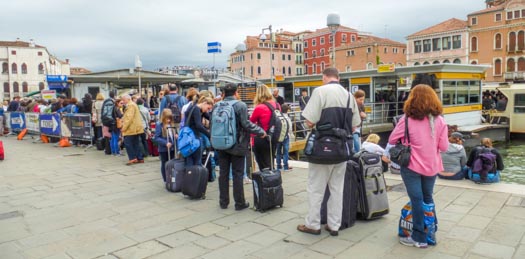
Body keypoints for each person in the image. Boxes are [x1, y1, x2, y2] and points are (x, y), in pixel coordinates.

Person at [297, 68, 361, 237]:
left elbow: (309, 121)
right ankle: (334, 225)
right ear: (338, 78)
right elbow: (354, 126)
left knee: (316, 189)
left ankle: (313, 224)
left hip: (321, 149)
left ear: (324, 77)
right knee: (337, 189)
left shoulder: (319, 91)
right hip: (341, 150)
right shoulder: (349, 96)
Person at [388, 84, 449, 248]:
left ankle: (419, 237)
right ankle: (431, 230)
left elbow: (392, 140)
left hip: (411, 165)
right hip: (432, 166)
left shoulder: (406, 119)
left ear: (412, 99)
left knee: (416, 200)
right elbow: (444, 147)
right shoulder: (440, 120)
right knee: (427, 198)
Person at [213, 84, 266, 211]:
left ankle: (223, 201)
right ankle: (239, 202)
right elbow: (246, 123)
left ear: (224, 93)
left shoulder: (217, 105)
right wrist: (260, 131)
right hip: (238, 144)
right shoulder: (240, 105)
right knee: (238, 173)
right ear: (236, 92)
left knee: (223, 173)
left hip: (221, 143)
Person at [250, 84, 280, 170]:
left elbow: (251, 123)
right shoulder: (277, 105)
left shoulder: (259, 107)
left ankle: (265, 182)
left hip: (262, 138)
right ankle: (273, 180)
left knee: (263, 165)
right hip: (273, 137)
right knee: (270, 162)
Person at [184, 96, 213, 166]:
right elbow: (199, 126)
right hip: (194, 137)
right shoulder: (196, 109)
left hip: (189, 137)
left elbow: (210, 118)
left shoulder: (195, 108)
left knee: (190, 158)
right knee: (197, 160)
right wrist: (209, 134)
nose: (207, 110)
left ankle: (191, 174)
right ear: (204, 103)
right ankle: (195, 174)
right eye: (208, 108)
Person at [154, 109, 177, 182]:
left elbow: (173, 135)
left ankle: (172, 178)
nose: (169, 120)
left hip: (172, 148)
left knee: (172, 163)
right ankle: (166, 180)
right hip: (164, 149)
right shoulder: (159, 125)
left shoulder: (172, 125)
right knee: (164, 163)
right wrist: (165, 143)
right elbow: (157, 137)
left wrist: (176, 136)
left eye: (170, 119)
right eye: (167, 119)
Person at [121, 94, 145, 165]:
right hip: (136, 128)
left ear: (128, 99)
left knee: (128, 143)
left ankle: (132, 158)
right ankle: (139, 158)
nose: (123, 101)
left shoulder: (130, 105)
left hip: (131, 129)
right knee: (135, 143)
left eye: (124, 100)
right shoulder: (133, 104)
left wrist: (124, 128)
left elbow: (129, 118)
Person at [275, 104, 294, 172]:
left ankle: (278, 166)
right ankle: (286, 167)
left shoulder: (278, 117)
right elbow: (290, 129)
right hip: (286, 136)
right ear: (287, 110)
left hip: (278, 136)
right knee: (285, 152)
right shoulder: (287, 118)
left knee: (278, 152)